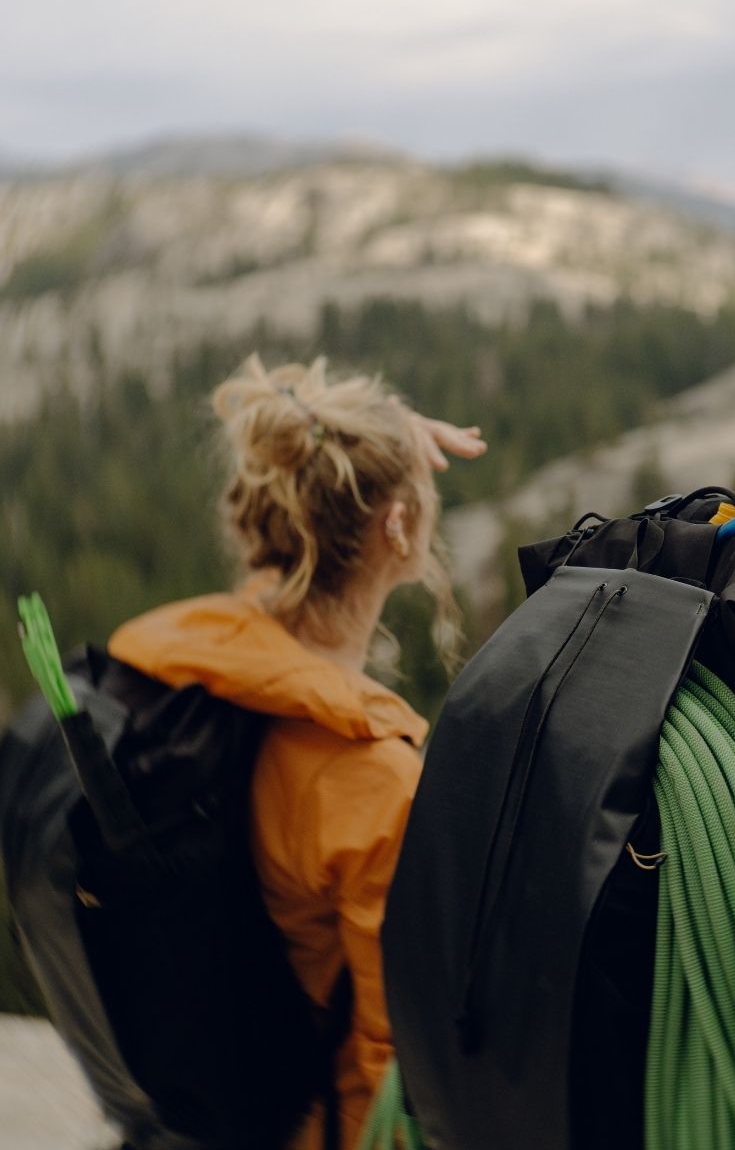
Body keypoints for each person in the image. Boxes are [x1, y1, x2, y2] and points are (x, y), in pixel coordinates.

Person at [105, 355, 485, 1149]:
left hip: (186, 1112)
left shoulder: (192, 665)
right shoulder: (372, 779)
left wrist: (373, 463)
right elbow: (398, 1065)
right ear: (399, 527)